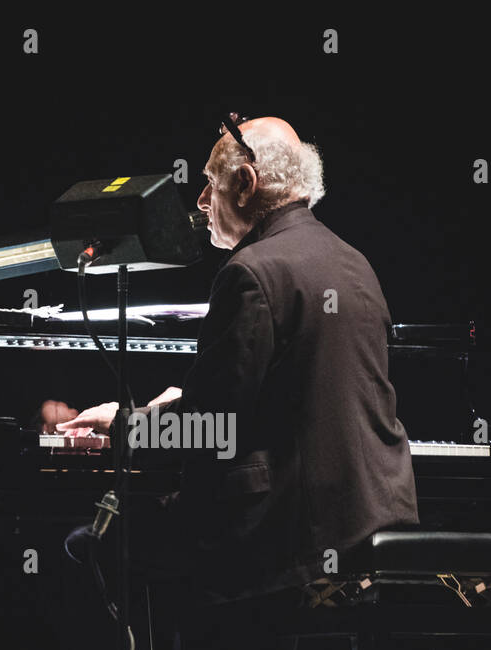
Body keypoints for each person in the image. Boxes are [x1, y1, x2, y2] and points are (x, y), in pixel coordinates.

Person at [58, 115, 419, 604]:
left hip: (286, 539)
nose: (203, 203)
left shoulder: (250, 271)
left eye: (209, 183)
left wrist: (125, 423)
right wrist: (189, 404)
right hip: (368, 521)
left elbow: (212, 430)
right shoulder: (354, 261)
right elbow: (290, 393)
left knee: (90, 542)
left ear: (246, 184)